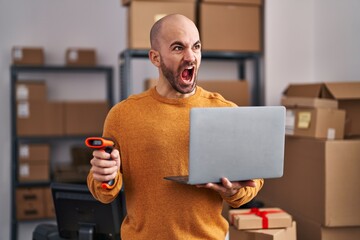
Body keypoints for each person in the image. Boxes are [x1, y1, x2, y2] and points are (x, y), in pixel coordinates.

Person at [87, 14, 264, 240]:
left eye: (196, 47)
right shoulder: (123, 115)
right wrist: (105, 176)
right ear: (155, 58)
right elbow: (103, 192)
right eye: (178, 48)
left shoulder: (226, 111)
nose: (191, 57)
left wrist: (235, 191)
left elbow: (253, 181)